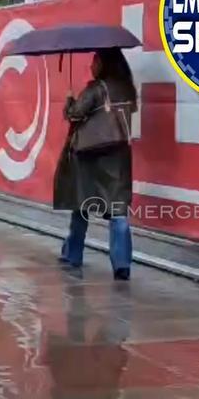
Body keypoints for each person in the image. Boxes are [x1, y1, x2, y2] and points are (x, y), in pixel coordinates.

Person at [53, 49, 137, 280]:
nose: (92, 66)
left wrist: (69, 102)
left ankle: (73, 256)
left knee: (81, 206)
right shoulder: (127, 88)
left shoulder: (96, 88)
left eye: (95, 61)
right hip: (118, 156)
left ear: (103, 64)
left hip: (89, 156)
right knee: (118, 210)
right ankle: (122, 265)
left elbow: (75, 114)